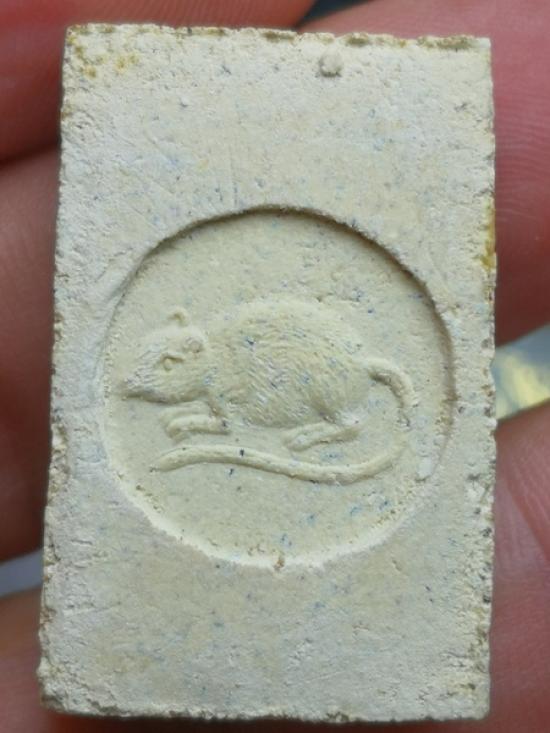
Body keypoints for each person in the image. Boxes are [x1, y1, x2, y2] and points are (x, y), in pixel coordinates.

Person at [0, 1, 548, 731]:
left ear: (187, 358)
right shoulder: (214, 370)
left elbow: (255, 402)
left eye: (160, 380)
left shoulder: (230, 373)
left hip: (334, 396)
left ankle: (341, 427)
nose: (146, 391)